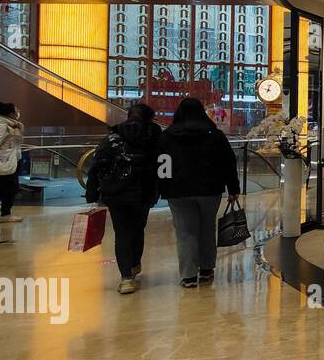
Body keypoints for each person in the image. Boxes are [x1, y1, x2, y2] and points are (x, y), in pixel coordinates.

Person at [159, 97, 240, 288]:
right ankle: (206, 270)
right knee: (206, 228)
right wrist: (233, 188)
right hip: (209, 190)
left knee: (185, 232)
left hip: (178, 191)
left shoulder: (168, 136)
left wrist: (163, 186)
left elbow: (162, 162)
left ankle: (188, 276)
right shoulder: (215, 135)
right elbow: (228, 162)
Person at [84, 103, 164, 294]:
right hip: (144, 192)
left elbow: (97, 165)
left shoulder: (113, 137)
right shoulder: (155, 137)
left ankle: (126, 277)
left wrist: (92, 191)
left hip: (115, 192)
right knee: (138, 229)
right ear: (149, 118)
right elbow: (163, 163)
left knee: (122, 233)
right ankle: (135, 263)